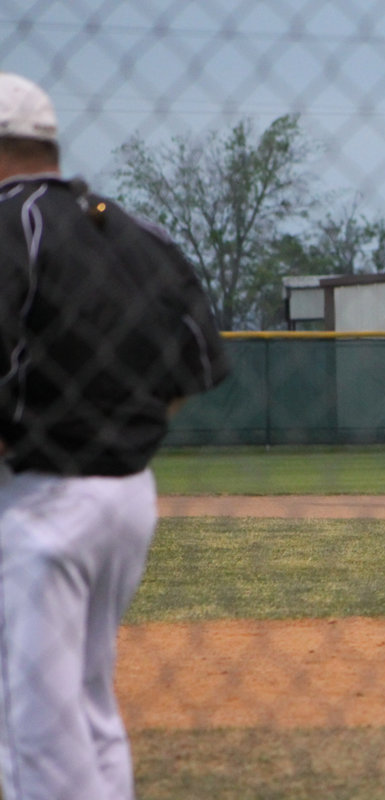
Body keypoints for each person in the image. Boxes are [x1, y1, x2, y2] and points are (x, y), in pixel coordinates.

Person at [0, 72, 230, 800]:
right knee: (88, 703)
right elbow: (193, 360)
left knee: (32, 724)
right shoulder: (130, 228)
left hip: (38, 499)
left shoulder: (11, 226)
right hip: (129, 494)